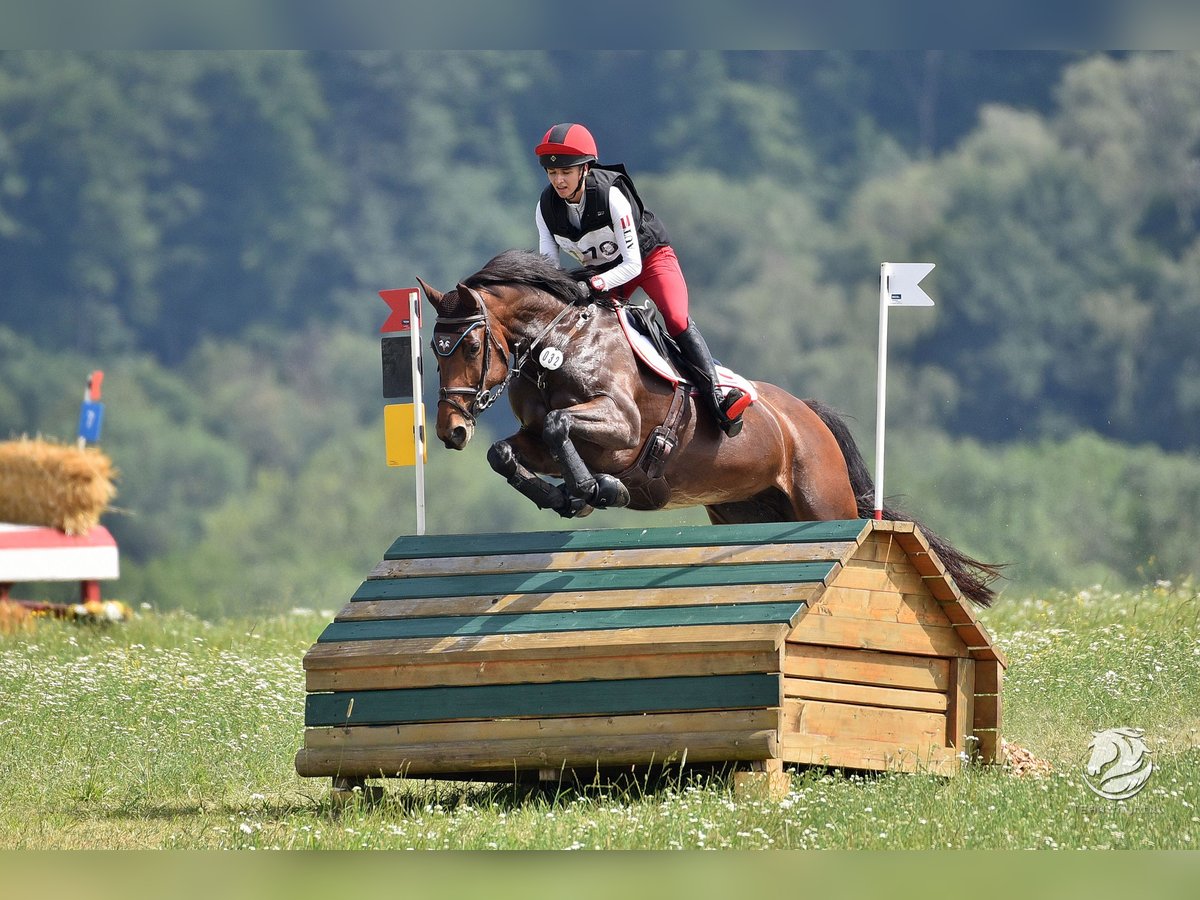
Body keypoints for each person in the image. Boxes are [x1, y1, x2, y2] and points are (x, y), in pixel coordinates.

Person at [533, 122, 749, 438]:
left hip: (648, 259)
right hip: (602, 273)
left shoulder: (611, 196)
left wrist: (592, 286)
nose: (558, 180)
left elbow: (632, 264)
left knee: (675, 318)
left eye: (566, 172)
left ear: (586, 169)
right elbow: (549, 270)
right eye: (552, 174)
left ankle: (717, 394)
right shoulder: (545, 209)